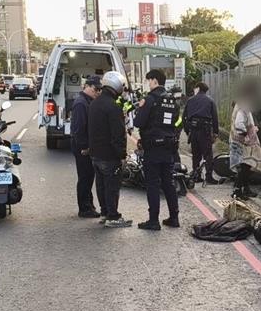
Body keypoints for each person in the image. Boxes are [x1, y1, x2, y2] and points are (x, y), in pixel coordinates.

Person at [134, 69, 180, 231]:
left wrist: (140, 108)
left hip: (153, 147)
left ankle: (153, 220)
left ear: (154, 80)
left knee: (152, 183)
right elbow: (176, 120)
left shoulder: (150, 99)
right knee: (168, 182)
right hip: (168, 146)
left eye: (148, 81)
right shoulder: (172, 100)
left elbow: (138, 122)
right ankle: (174, 217)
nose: (148, 84)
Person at [88, 71, 132, 228]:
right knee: (112, 186)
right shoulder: (113, 107)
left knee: (100, 186)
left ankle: (105, 213)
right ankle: (113, 216)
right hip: (109, 155)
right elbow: (118, 135)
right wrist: (122, 155)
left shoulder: (94, 103)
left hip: (96, 154)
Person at [70, 75, 103, 218]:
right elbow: (78, 128)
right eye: (96, 89)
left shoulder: (88, 101)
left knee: (89, 176)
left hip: (86, 145)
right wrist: (84, 146)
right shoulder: (81, 103)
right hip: (81, 146)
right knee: (85, 177)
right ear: (88, 87)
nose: (98, 93)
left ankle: (89, 204)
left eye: (100, 90)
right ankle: (84, 208)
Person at [229, 79, 261, 200]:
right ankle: (237, 190)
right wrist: (247, 135)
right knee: (244, 167)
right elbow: (239, 124)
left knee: (245, 166)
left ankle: (244, 189)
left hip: (239, 141)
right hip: (243, 142)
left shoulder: (241, 103)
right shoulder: (243, 105)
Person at [184, 82, 219, 183]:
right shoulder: (210, 101)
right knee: (207, 154)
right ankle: (209, 176)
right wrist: (215, 132)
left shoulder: (190, 100)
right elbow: (215, 118)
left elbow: (184, 117)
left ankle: (196, 174)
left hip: (193, 130)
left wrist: (187, 131)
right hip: (205, 130)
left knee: (196, 154)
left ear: (198, 88)